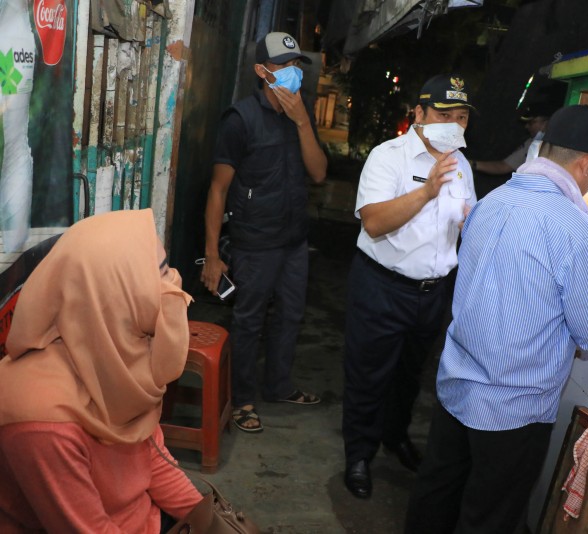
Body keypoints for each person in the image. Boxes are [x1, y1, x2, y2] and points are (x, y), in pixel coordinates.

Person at [405, 105, 588, 533]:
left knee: (436, 498)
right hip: (514, 408)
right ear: (587, 163)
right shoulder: (575, 227)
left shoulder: (492, 202)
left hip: (457, 387)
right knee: (489, 519)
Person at [0, 209, 203, 533]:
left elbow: (154, 460)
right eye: (160, 274)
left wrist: (209, 519)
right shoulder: (40, 422)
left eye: (167, 268)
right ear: (115, 294)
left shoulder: (117, 357)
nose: (174, 283)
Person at [342, 74, 478, 499]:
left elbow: (467, 222)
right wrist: (427, 192)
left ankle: (395, 436)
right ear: (418, 113)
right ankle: (359, 454)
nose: (454, 125)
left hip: (432, 292)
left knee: (410, 375)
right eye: (443, 114)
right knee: (368, 374)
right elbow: (374, 222)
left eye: (461, 117)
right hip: (382, 287)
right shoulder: (389, 157)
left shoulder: (461, 164)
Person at [201, 31, 327, 433]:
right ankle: (241, 399)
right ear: (261, 71)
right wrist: (213, 255)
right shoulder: (240, 120)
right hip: (255, 242)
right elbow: (218, 190)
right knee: (249, 321)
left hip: (293, 241)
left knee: (290, 316)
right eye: (283, 65)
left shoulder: (301, 115)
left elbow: (319, 173)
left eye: (296, 65)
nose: (293, 72)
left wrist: (302, 122)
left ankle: (278, 385)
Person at [469, 102, 554, 175]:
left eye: (531, 123)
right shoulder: (531, 143)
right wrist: (472, 164)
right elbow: (504, 166)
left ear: (546, 122)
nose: (526, 126)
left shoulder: (557, 145)